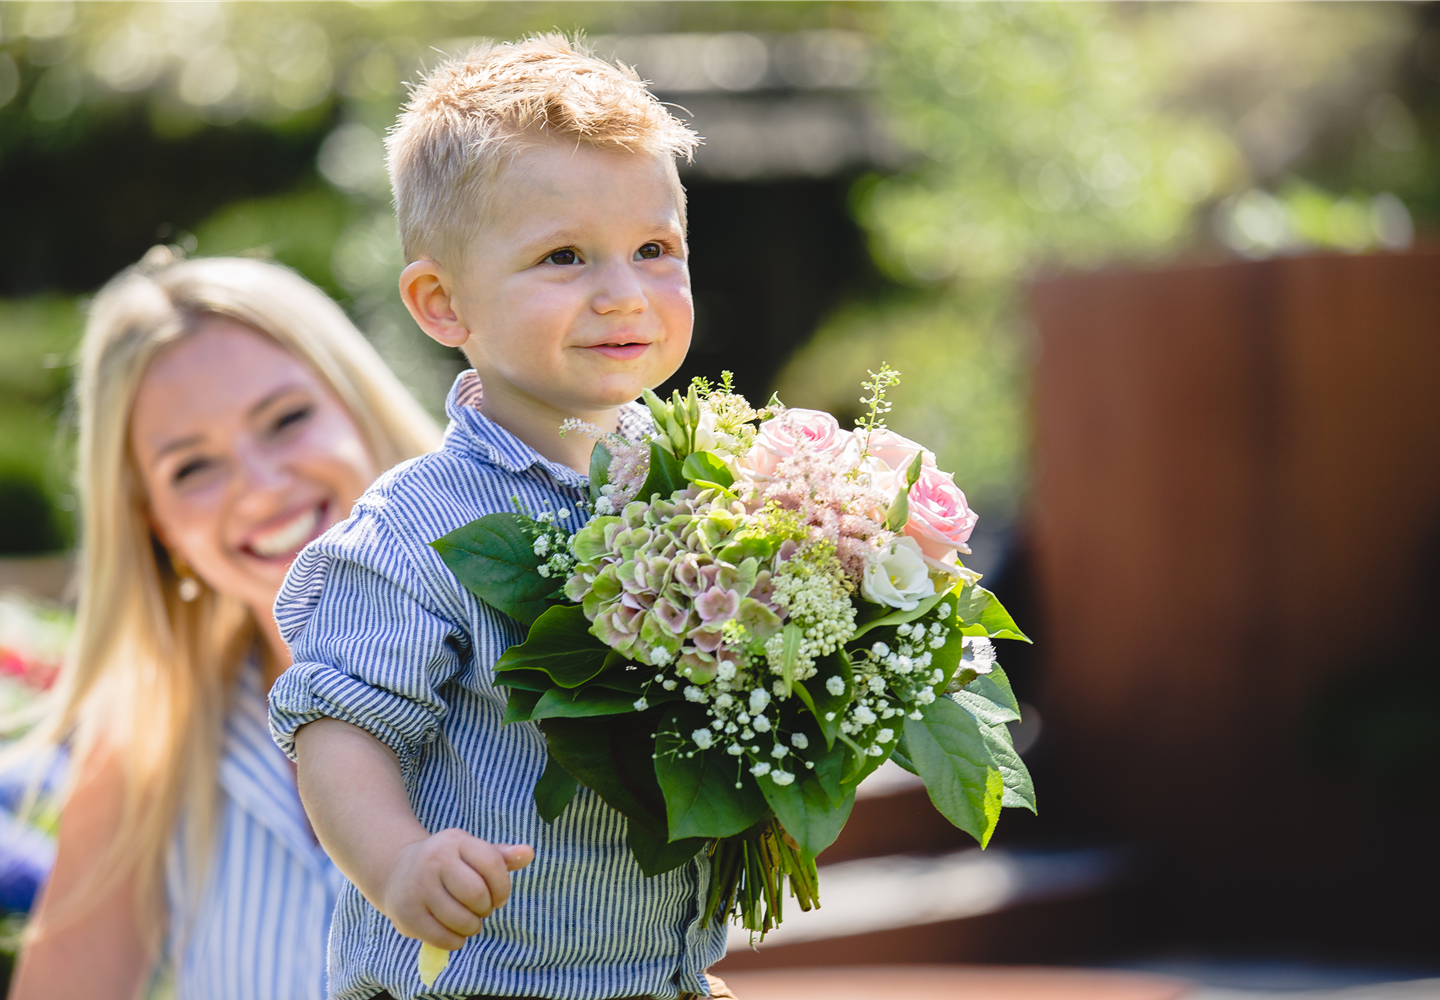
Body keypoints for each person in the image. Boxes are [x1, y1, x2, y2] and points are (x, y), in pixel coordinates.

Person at [267, 34, 738, 1000]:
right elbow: (338, 723)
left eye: (655, 249)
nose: (623, 293)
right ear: (443, 305)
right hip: (479, 979)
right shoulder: (416, 527)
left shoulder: (710, 486)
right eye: (563, 256)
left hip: (666, 974)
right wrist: (400, 863)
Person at [9, 249, 441, 999]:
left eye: (285, 420)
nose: (261, 487)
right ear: (157, 527)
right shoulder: (150, 748)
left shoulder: (541, 653)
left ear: (357, 405)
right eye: (192, 468)